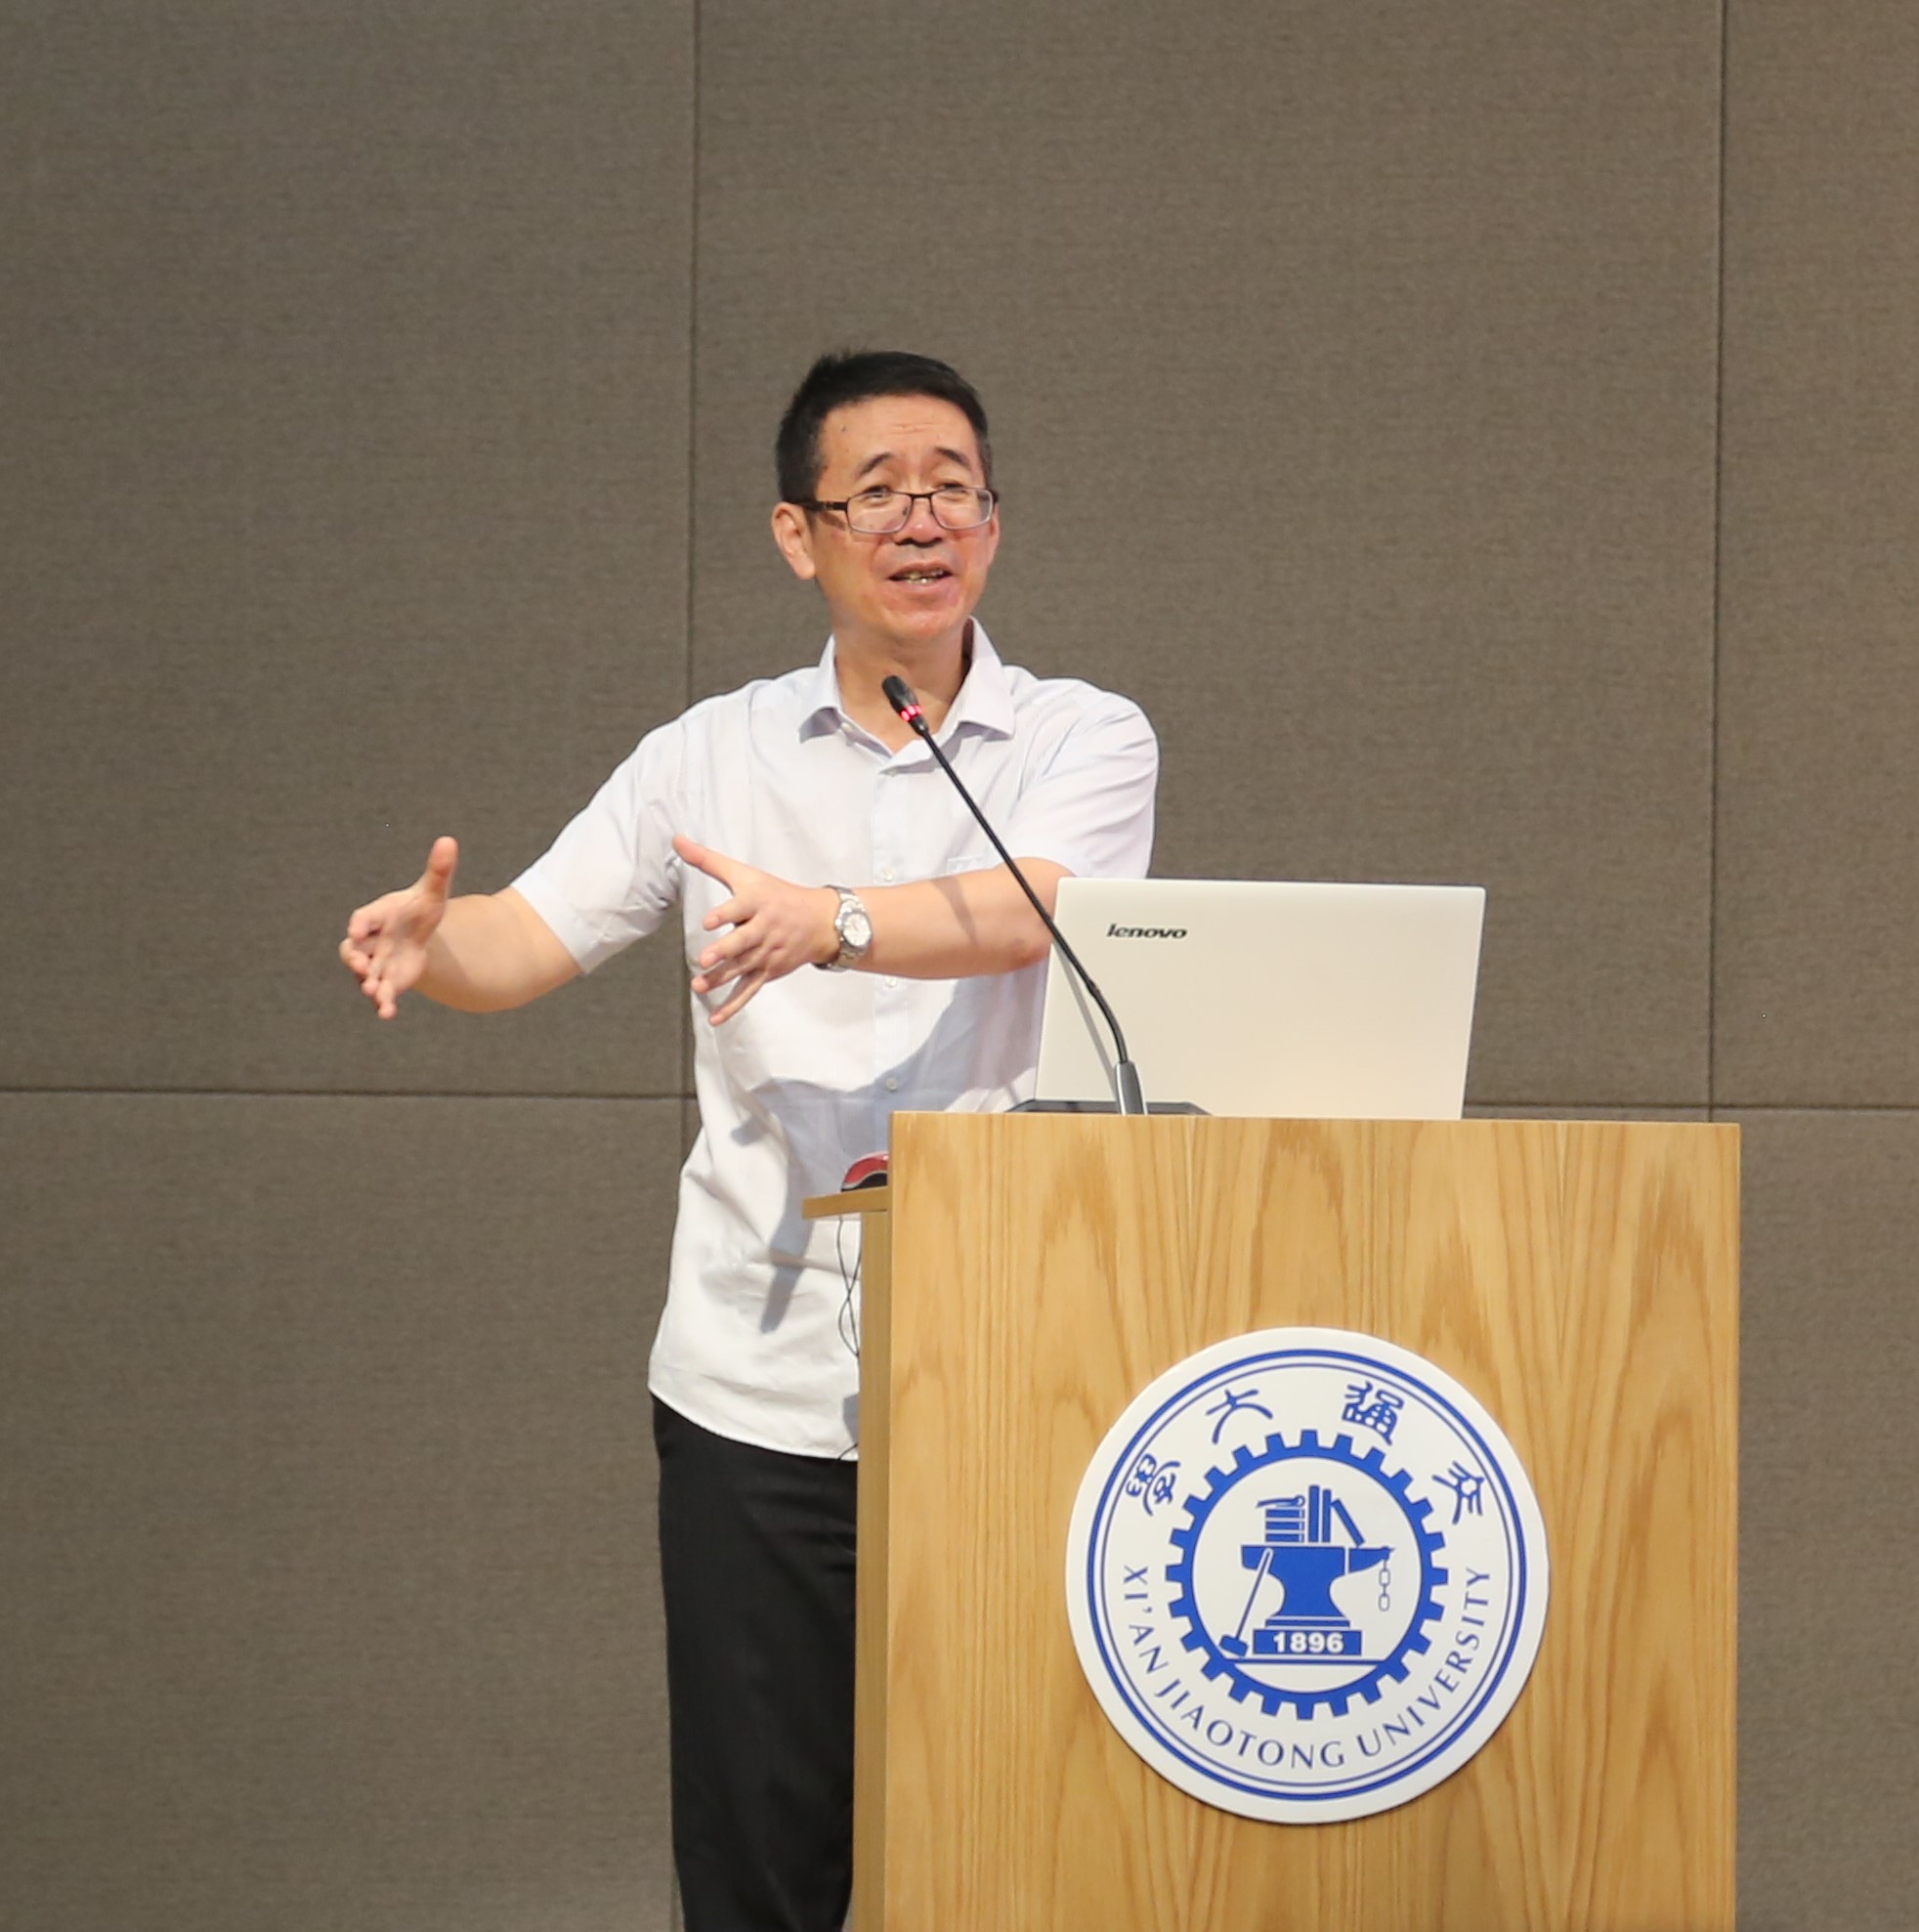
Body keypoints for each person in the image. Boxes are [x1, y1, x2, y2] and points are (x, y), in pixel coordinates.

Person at [338, 350, 1157, 1931]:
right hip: (755, 1381)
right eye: (879, 493)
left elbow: (1034, 909)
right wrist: (435, 946)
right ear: (800, 534)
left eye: (954, 488)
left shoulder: (1082, 736)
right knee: (760, 1857)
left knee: (1015, 1840)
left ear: (995, 520)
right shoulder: (708, 756)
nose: (923, 520)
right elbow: (528, 935)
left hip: (1015, 1371)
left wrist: (830, 919)